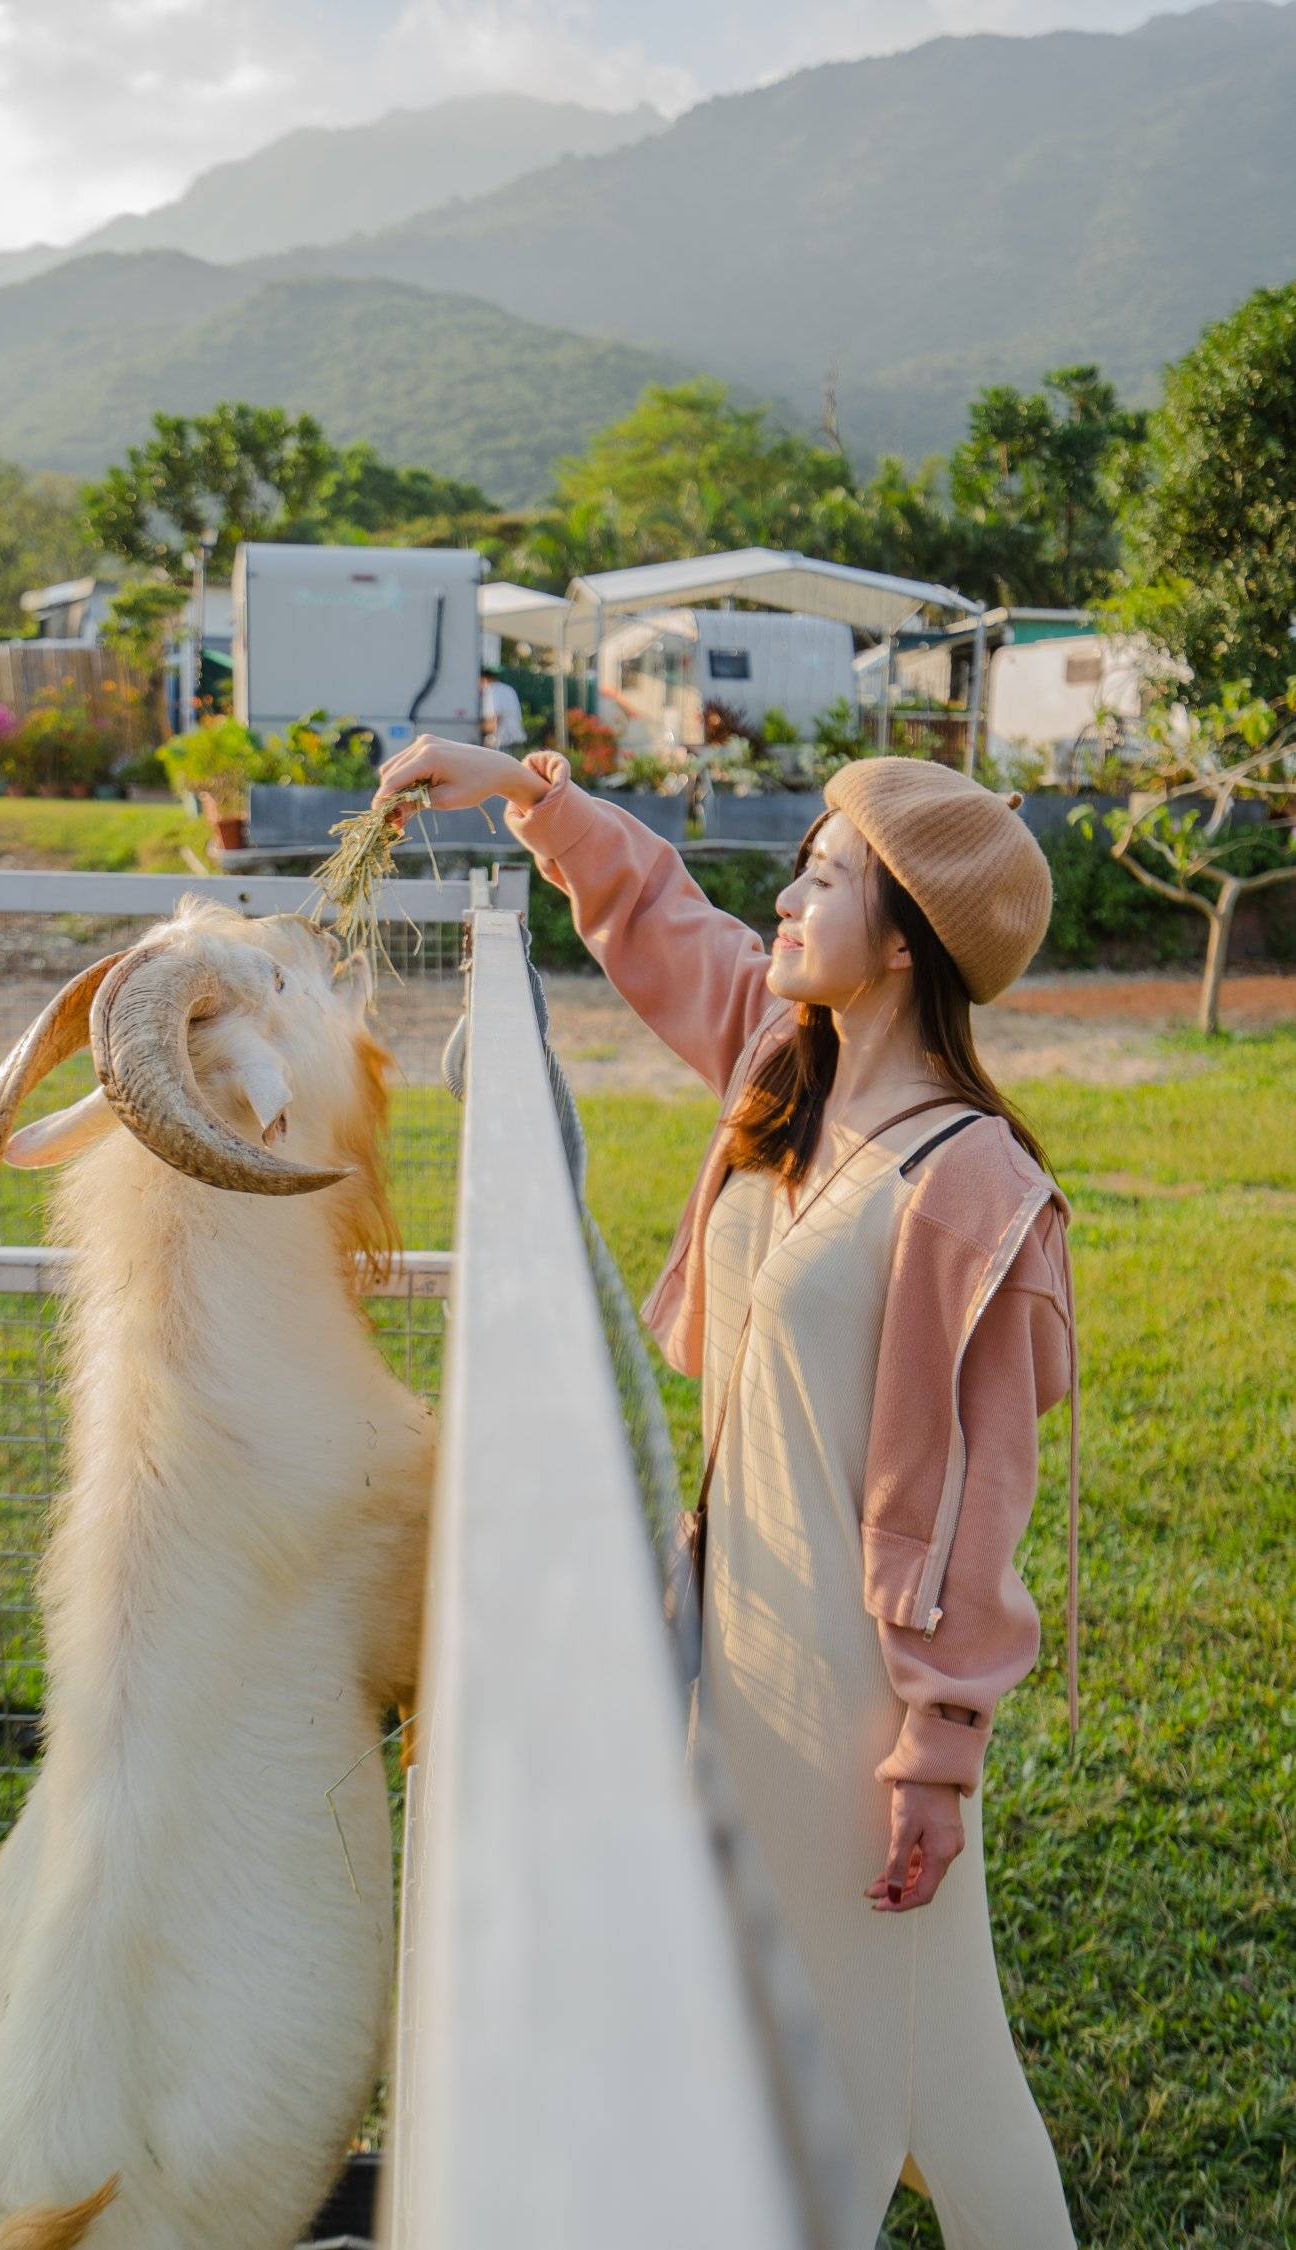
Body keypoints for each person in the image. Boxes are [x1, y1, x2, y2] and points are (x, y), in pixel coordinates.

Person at [373, 737, 1080, 2250]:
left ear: (904, 935)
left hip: (850, 1693)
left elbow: (980, 1504)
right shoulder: (787, 1070)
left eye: (821, 875)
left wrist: (938, 1745)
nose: (785, 892)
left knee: (827, 2071)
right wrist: (521, 789)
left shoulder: (975, 1188)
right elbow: (658, 912)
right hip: (741, 1642)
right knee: (940, 2068)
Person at [479, 666, 526, 751]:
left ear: (484, 679)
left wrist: (480, 730)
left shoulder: (492, 689)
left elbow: (496, 717)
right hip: (515, 737)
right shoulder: (507, 688)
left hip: (503, 740)